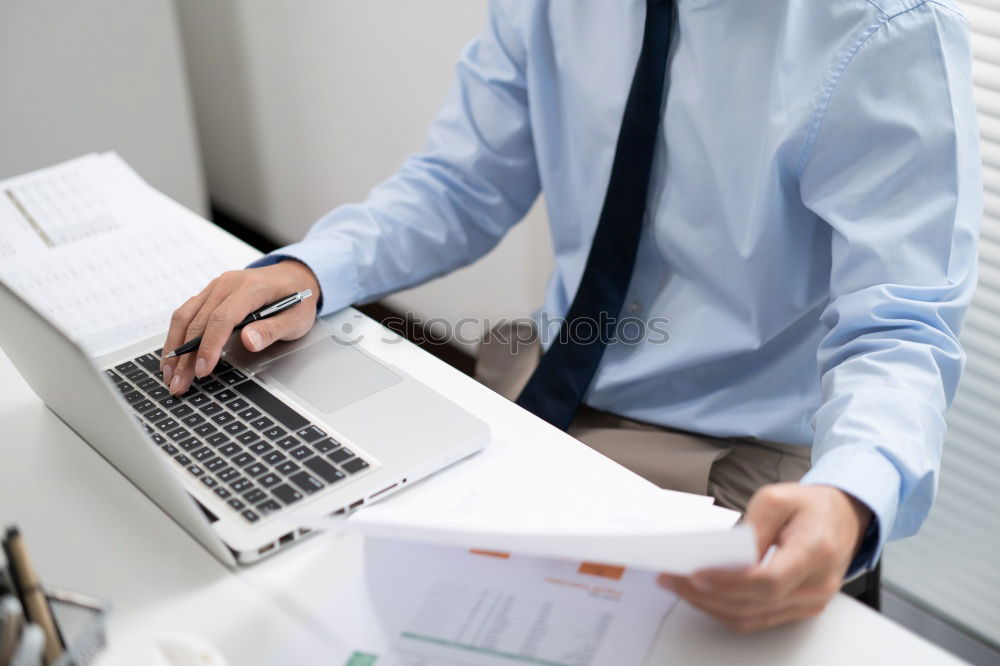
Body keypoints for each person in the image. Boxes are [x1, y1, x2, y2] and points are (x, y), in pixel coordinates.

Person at [160, 0, 981, 633]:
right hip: (543, 382)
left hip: (729, 453)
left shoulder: (888, 29)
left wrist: (851, 495)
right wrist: (313, 268)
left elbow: (900, 328)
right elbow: (463, 182)